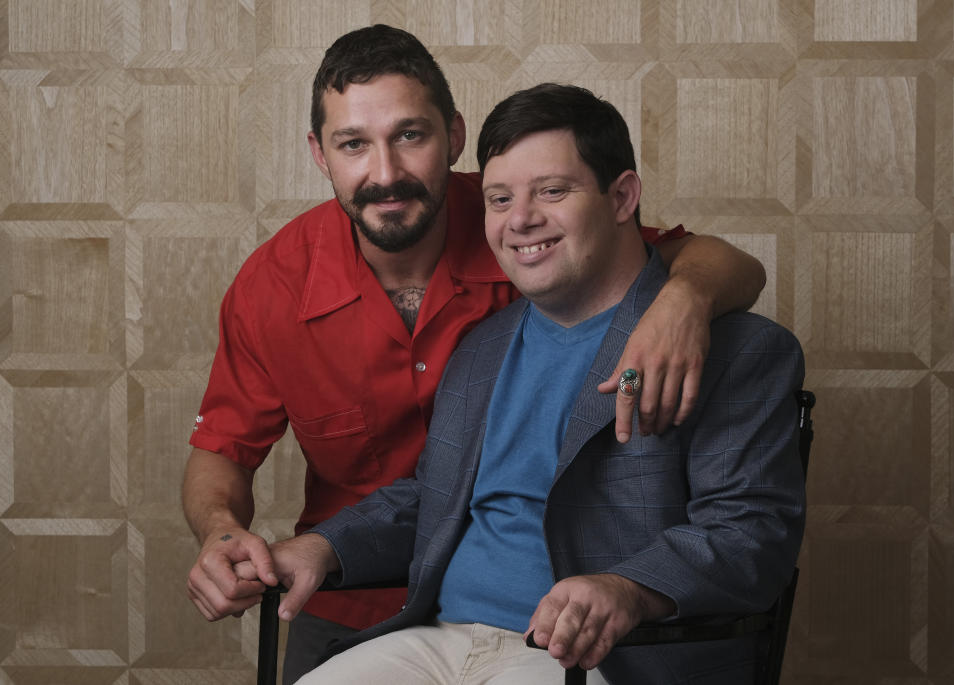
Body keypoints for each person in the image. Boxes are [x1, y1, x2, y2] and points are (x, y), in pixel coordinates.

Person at [182, 25, 767, 684]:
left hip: (569, 615)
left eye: (410, 135)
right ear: (320, 153)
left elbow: (687, 259)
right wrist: (225, 532)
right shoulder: (277, 286)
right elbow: (224, 450)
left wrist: (683, 300)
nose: (385, 173)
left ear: (452, 136)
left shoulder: (526, 231)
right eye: (353, 144)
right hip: (351, 589)